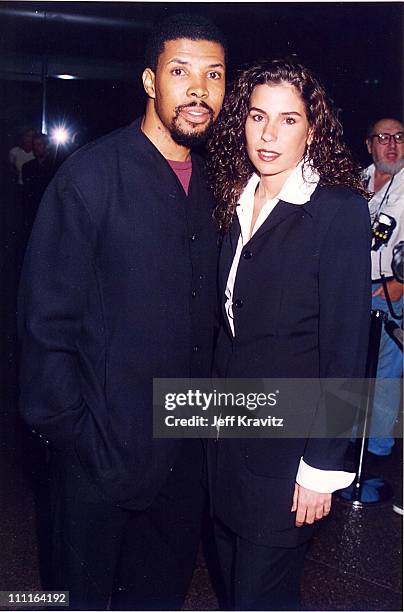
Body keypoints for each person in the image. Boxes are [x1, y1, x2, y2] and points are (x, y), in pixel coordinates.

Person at [18, 14, 226, 611]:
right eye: (180, 71)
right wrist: (78, 439)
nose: (198, 90)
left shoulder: (220, 182)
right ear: (149, 81)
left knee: (157, 598)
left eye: (212, 75)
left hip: (183, 459)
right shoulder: (90, 177)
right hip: (100, 457)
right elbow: (45, 324)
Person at [206, 59, 371, 610]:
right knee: (234, 586)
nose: (269, 135)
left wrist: (323, 468)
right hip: (227, 444)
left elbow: (347, 350)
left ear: (312, 129)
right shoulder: (233, 200)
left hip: (288, 456)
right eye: (257, 117)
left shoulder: (338, 212)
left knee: (259, 596)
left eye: (288, 120)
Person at [363, 118, 404, 459]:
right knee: (355, 367)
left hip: (392, 292)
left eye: (399, 137)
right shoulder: (358, 179)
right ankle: (351, 443)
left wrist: (400, 283)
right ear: (369, 144)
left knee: (385, 375)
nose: (391, 144)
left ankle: (375, 451)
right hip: (355, 288)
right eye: (383, 137)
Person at [22, 133, 57, 240]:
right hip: (34, 211)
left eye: (39, 145)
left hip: (52, 211)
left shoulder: (56, 166)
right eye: (34, 145)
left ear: (46, 146)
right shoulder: (27, 167)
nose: (35, 148)